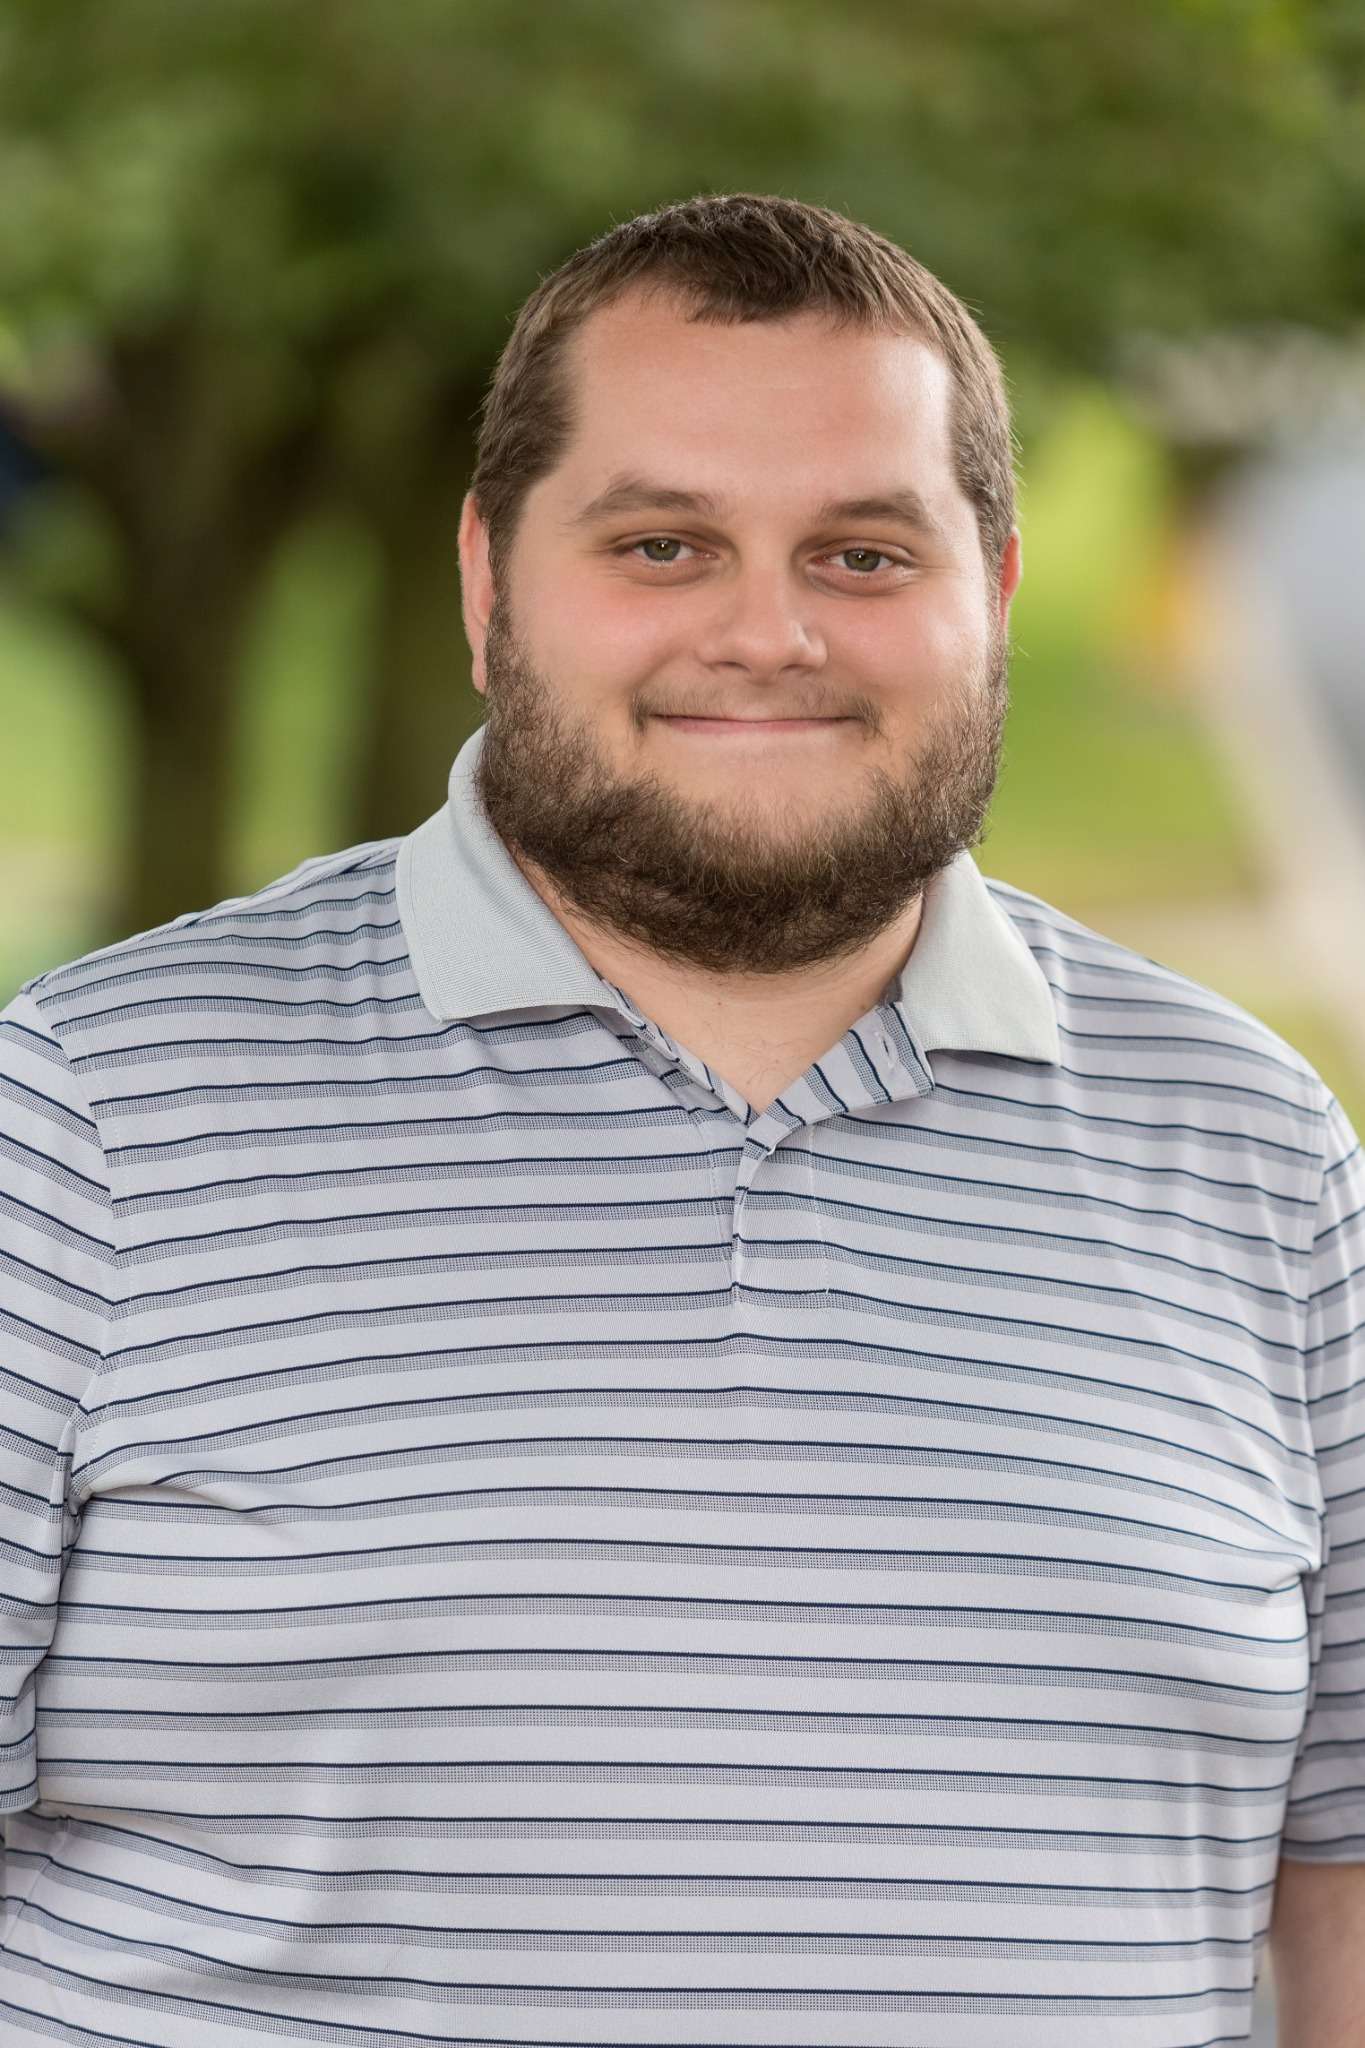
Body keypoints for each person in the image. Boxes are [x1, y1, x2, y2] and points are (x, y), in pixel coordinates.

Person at [0, 192, 1360, 2048]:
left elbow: (1345, 1906)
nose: (769, 633)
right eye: (661, 544)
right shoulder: (86, 1119)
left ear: (996, 593)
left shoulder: (1259, 1156)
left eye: (865, 554)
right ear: (487, 584)